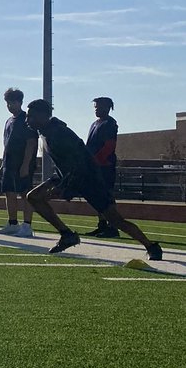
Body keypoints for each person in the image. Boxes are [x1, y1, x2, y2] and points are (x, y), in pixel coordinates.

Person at [24, 99, 161, 260]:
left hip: (88, 179)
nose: (27, 120)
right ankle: (67, 234)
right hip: (66, 176)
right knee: (33, 197)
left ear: (42, 115)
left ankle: (151, 246)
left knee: (115, 220)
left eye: (30, 116)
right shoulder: (45, 132)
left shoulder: (59, 133)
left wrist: (63, 187)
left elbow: (80, 162)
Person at [0, 87, 38, 237]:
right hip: (9, 163)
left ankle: (27, 226)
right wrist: (3, 162)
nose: (10, 106)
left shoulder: (26, 119)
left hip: (22, 163)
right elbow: (6, 143)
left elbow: (31, 142)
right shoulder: (8, 121)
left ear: (20, 102)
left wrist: (26, 165)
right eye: (7, 103)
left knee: (25, 193)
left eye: (12, 102)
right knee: (9, 192)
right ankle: (12, 223)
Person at [84, 96, 119, 237]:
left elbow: (109, 145)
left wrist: (98, 160)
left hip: (105, 166)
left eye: (99, 107)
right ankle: (102, 224)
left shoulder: (110, 124)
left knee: (107, 196)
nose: (96, 109)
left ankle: (113, 226)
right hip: (94, 165)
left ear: (107, 108)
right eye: (95, 107)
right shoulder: (94, 124)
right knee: (97, 196)